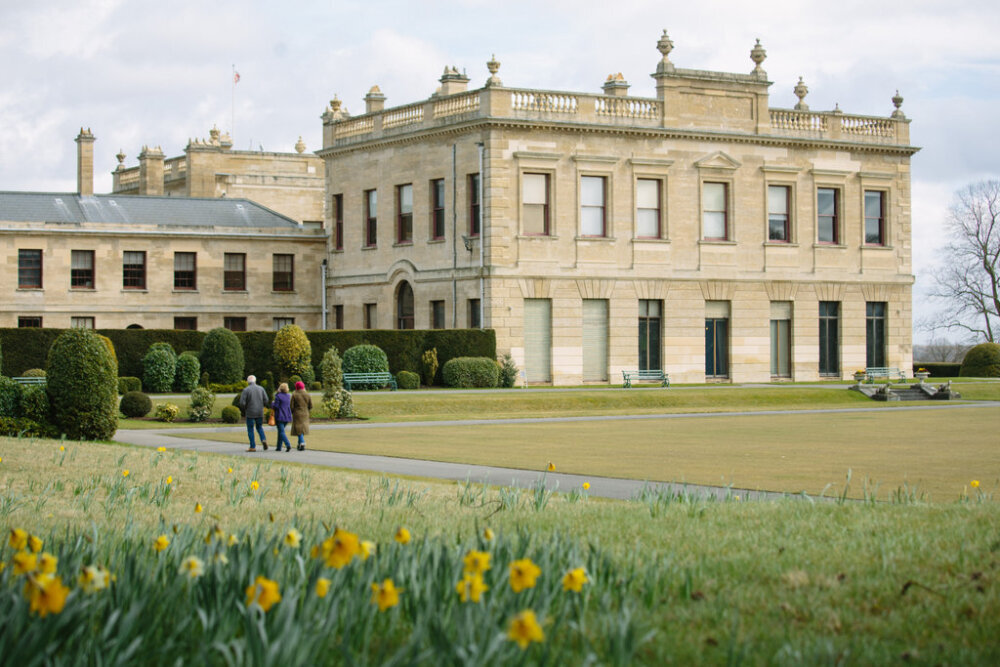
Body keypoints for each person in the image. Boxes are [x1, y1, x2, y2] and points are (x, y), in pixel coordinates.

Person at [238, 375, 269, 452]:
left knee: (250, 429)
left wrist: (245, 408)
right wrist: (262, 406)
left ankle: (252, 446)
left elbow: (242, 403)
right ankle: (263, 439)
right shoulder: (261, 388)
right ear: (255, 381)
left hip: (250, 412)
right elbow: (266, 400)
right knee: (259, 427)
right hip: (259, 412)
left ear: (247, 381)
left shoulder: (246, 390)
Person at [290, 380, 312, 451]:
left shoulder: (294, 394)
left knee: (298, 429)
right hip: (305, 413)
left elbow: (291, 406)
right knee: (302, 429)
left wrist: (292, 412)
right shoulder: (307, 394)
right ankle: (299, 444)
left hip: (297, 413)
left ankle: (302, 442)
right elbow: (310, 406)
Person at [271, 383, 293, 452]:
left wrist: (272, 403)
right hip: (287, 415)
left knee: (281, 432)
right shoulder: (288, 395)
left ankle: (288, 444)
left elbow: (276, 406)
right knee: (280, 431)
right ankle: (279, 447)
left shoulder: (278, 396)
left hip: (280, 415)